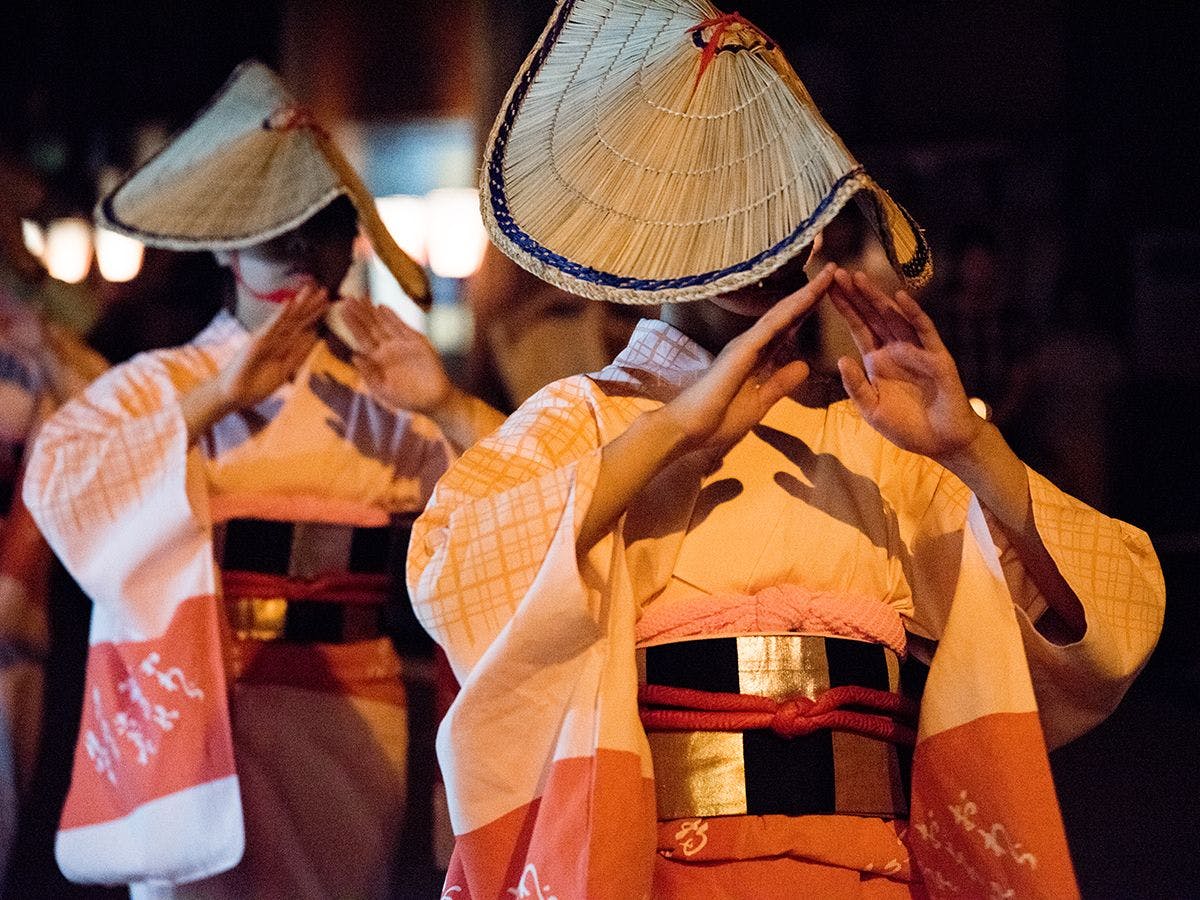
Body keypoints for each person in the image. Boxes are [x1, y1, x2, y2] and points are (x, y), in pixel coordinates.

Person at [407, 3, 1165, 897]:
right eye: (722, 217)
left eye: (786, 217)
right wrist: (672, 434)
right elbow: (451, 574)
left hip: (865, 871)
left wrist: (970, 450)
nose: (762, 252)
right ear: (659, 231)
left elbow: (1115, 616)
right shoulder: (586, 420)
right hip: (657, 869)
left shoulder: (875, 437)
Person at [22, 61, 504, 899]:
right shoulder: (153, 387)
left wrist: (449, 405)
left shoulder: (381, 402)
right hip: (195, 707)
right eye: (272, 231)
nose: (298, 253)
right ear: (223, 245)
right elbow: (64, 488)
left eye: (321, 228)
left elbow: (528, 496)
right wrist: (215, 398)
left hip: (350, 711)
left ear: (350, 247)